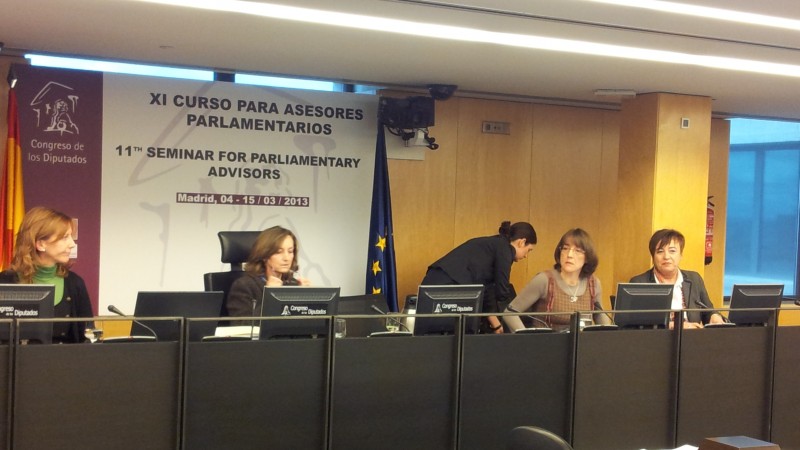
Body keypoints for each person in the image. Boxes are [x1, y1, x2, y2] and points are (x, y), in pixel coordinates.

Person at [421, 221, 537, 334]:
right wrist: (516, 318)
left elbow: (486, 289)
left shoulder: (494, 244)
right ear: (522, 242)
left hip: (438, 282)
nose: (526, 256)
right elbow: (501, 292)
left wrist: (496, 324)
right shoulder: (504, 249)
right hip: (447, 285)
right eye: (529, 250)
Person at [0, 206, 93, 343]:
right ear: (40, 244)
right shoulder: (4, 282)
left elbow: (88, 337)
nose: (72, 244)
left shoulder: (75, 283)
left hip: (66, 363)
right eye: (65, 237)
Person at [503, 228, 612, 332]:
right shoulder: (544, 280)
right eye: (565, 248)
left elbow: (602, 321)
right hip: (547, 346)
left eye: (577, 251)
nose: (569, 255)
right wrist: (527, 341)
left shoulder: (593, 284)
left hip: (582, 347)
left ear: (587, 257)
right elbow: (510, 313)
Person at [630, 229, 725, 328]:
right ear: (653, 256)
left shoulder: (694, 279)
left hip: (692, 339)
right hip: (656, 340)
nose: (666, 256)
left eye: (672, 251)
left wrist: (714, 316)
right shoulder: (640, 283)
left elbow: (708, 311)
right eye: (660, 251)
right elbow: (635, 324)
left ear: (680, 255)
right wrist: (673, 326)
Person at [226, 226, 310, 321]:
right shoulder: (244, 286)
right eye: (279, 252)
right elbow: (242, 325)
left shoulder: (293, 284)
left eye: (290, 251)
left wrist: (308, 299)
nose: (286, 258)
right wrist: (269, 298)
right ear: (264, 256)